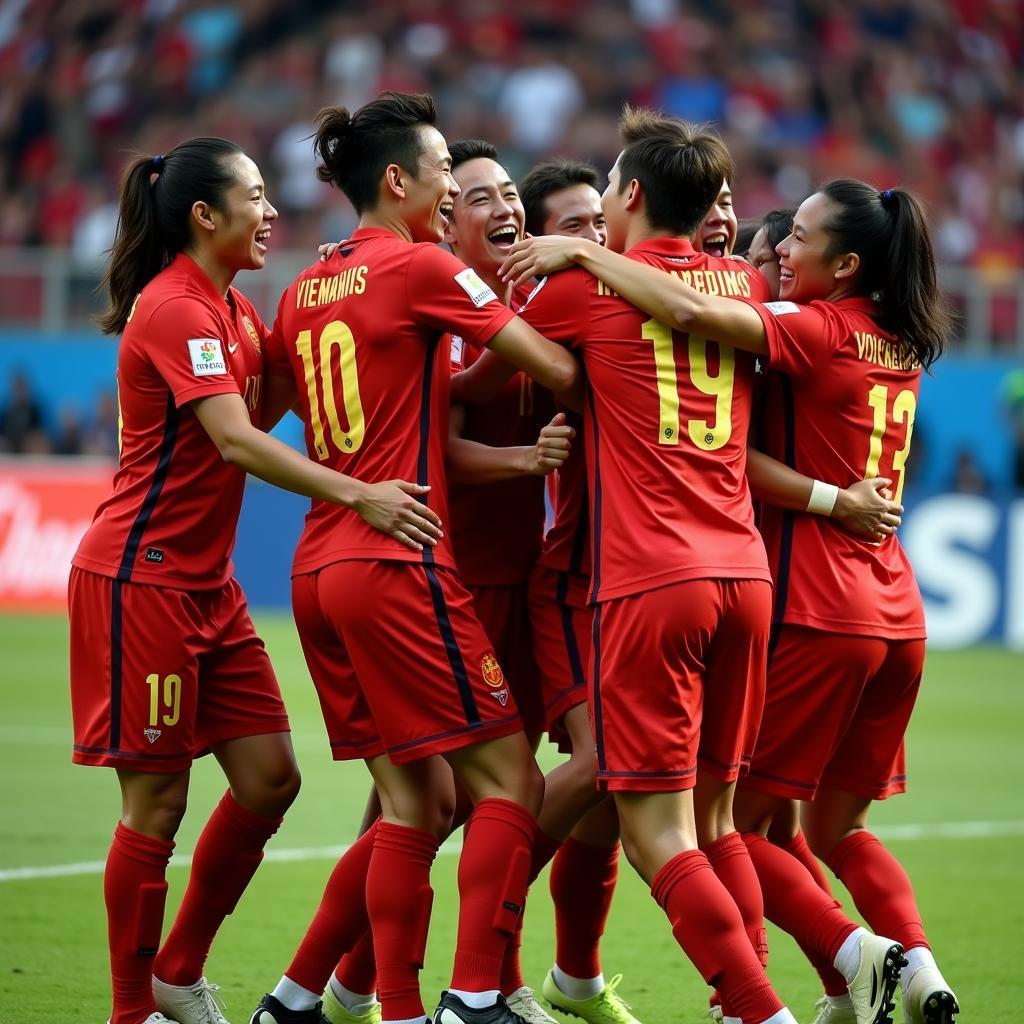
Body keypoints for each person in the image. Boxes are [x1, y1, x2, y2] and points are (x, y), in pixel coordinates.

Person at [501, 177, 957, 1024]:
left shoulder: (808, 326)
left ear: (847, 263)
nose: (774, 252)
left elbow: (701, 333)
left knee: (719, 828)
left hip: (807, 602)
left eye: (796, 239)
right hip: (881, 605)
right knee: (818, 829)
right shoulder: (892, 336)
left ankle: (845, 963)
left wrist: (581, 255)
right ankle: (895, 970)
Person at [70, 138, 443, 1024]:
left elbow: (293, 383)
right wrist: (363, 494)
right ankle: (134, 1012)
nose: (273, 212)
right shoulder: (174, 312)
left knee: (272, 779)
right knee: (157, 801)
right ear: (206, 215)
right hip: (141, 582)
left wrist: (343, 278)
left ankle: (178, 967)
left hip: (209, 588)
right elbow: (239, 439)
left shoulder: (235, 315)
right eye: (258, 195)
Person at [248, 92, 579, 1024]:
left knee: (408, 802)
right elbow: (552, 368)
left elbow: (272, 410)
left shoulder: (304, 289)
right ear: (397, 180)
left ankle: (355, 1005)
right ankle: (476, 998)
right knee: (509, 781)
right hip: (399, 560)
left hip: (317, 567)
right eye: (443, 174)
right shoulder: (424, 265)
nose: (447, 189)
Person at [505, 106, 804, 1024]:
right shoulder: (742, 285)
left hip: (650, 583)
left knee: (656, 831)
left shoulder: (581, 288)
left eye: (605, 198)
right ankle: (766, 989)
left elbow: (486, 368)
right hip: (746, 578)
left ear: (629, 195)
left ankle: (759, 1010)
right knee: (718, 826)